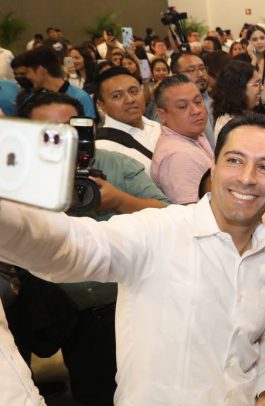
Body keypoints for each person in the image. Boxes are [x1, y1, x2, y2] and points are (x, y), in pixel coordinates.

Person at [0, 113, 265, 405]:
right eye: (235, 160)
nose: (247, 177)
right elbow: (70, 246)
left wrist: (264, 394)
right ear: (213, 168)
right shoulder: (157, 231)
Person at [18, 92, 170, 405]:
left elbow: (170, 216)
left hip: (134, 306)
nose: (60, 138)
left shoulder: (116, 165)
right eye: (47, 130)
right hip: (73, 320)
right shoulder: (18, 179)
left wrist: (119, 201)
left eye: (69, 128)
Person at [151, 75, 214, 204]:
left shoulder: (191, 132)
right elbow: (192, 214)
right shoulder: (179, 157)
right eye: (182, 106)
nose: (196, 111)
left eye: (197, 101)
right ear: (163, 114)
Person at [96, 67, 162, 177]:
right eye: (117, 96)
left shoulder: (159, 128)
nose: (130, 99)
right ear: (101, 105)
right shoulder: (102, 150)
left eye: (134, 91)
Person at [12, 46, 95, 118]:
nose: (27, 77)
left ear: (41, 70)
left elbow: (88, 133)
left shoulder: (81, 98)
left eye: (28, 72)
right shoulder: (31, 99)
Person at [171, 52, 216, 148]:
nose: (200, 74)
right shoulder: (171, 108)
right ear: (176, 76)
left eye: (202, 68)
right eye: (191, 70)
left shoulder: (212, 99)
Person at [211, 60, 263, 135]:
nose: (262, 88)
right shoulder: (234, 127)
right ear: (239, 89)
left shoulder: (239, 117)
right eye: (256, 84)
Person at [243, 26, 265, 114]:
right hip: (252, 110)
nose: (259, 42)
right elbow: (247, 83)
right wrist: (253, 60)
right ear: (249, 43)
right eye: (254, 39)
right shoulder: (243, 61)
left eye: (262, 38)